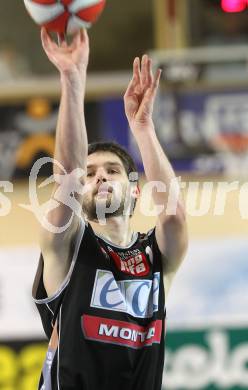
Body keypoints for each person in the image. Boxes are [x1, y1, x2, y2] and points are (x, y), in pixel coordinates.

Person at [32, 27, 188, 390]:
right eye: (90, 174)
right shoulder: (67, 245)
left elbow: (174, 214)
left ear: (135, 191)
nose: (99, 177)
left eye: (112, 170)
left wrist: (143, 128)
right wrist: (72, 80)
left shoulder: (156, 257)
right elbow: (66, 179)